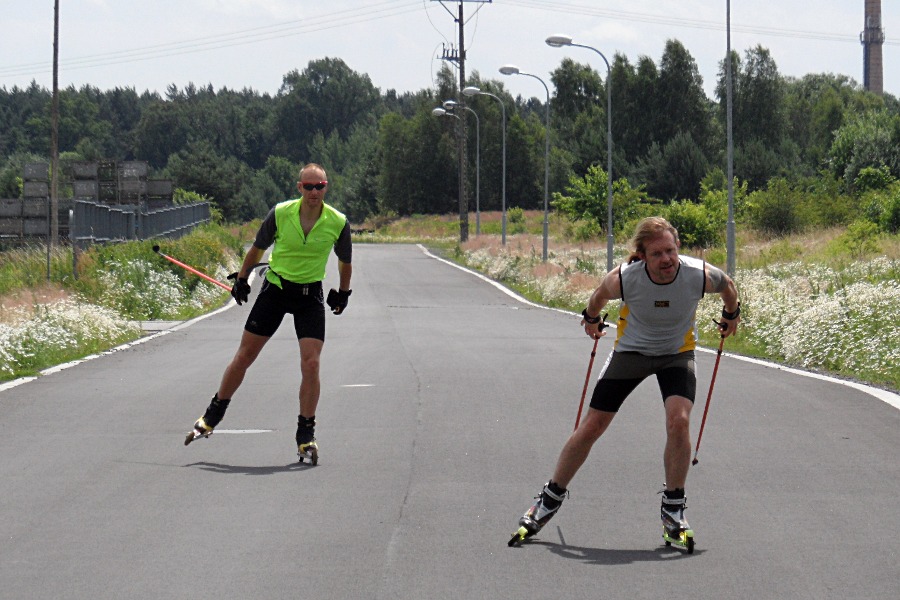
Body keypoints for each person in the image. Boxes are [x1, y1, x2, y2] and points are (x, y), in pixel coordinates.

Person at [515, 216, 740, 543]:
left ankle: (674, 508)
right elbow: (597, 297)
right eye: (656, 254)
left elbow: (728, 287)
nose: (666, 260)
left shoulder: (698, 274)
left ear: (678, 249)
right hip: (631, 352)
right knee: (593, 426)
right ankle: (548, 500)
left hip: (677, 353)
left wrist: (731, 315)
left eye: (670, 251)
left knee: (679, 421)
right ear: (643, 256)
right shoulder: (624, 279)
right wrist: (591, 319)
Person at [184, 163, 353, 464]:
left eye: (320, 186)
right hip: (275, 289)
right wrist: (242, 279)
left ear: (326, 187)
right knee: (245, 356)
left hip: (309, 295)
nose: (314, 192)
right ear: (299, 187)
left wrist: (343, 292)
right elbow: (257, 249)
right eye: (309, 186)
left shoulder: (337, 221)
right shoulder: (281, 213)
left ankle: (306, 434)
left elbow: (344, 261)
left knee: (311, 364)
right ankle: (213, 413)